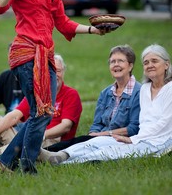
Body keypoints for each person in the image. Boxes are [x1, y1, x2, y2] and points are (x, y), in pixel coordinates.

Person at [0, 0, 110, 174]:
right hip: (25, 53)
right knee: (41, 112)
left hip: (45, 55)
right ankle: (27, 166)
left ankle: (6, 164)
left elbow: (63, 23)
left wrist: (92, 30)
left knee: (40, 113)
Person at [39, 44, 172, 165]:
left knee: (108, 151)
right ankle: (60, 155)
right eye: (146, 62)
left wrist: (134, 139)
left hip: (155, 141)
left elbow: (160, 123)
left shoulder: (154, 90)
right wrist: (95, 135)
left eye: (154, 61)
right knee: (90, 143)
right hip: (131, 137)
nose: (150, 65)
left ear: (166, 65)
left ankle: (61, 163)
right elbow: (143, 121)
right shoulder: (144, 89)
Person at [0, 54, 82, 159]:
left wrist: (40, 134)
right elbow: (15, 115)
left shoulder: (71, 94)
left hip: (51, 140)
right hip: (29, 136)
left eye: (58, 70)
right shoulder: (38, 94)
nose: (54, 74)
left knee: (23, 142)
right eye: (49, 70)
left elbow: (65, 126)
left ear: (63, 72)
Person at [42, 44, 141, 153]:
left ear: (130, 66)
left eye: (120, 61)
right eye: (112, 62)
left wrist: (103, 134)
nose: (116, 65)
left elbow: (133, 128)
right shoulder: (106, 93)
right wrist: (93, 136)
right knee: (77, 143)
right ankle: (46, 153)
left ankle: (49, 155)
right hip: (100, 139)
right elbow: (96, 125)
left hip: (122, 141)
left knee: (76, 148)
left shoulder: (138, 92)